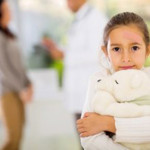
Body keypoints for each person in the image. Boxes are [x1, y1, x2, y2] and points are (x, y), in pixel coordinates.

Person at [76, 12, 150, 150]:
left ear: (147, 50)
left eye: (134, 48)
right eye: (116, 49)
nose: (126, 58)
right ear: (106, 52)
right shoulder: (99, 81)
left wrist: (108, 124)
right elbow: (89, 138)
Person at [43, 0, 107, 123]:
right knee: (83, 137)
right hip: (78, 95)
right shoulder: (79, 19)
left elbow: (97, 53)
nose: (66, 2)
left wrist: (64, 55)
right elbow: (75, 49)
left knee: (91, 139)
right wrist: (57, 49)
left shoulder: (95, 18)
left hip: (89, 94)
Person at [0, 0, 33, 150]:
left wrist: (28, 83)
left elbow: (19, 65)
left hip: (19, 91)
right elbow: (4, 69)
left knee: (18, 137)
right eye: (6, 9)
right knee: (12, 138)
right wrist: (21, 89)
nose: (10, 12)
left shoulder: (9, 34)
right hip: (8, 92)